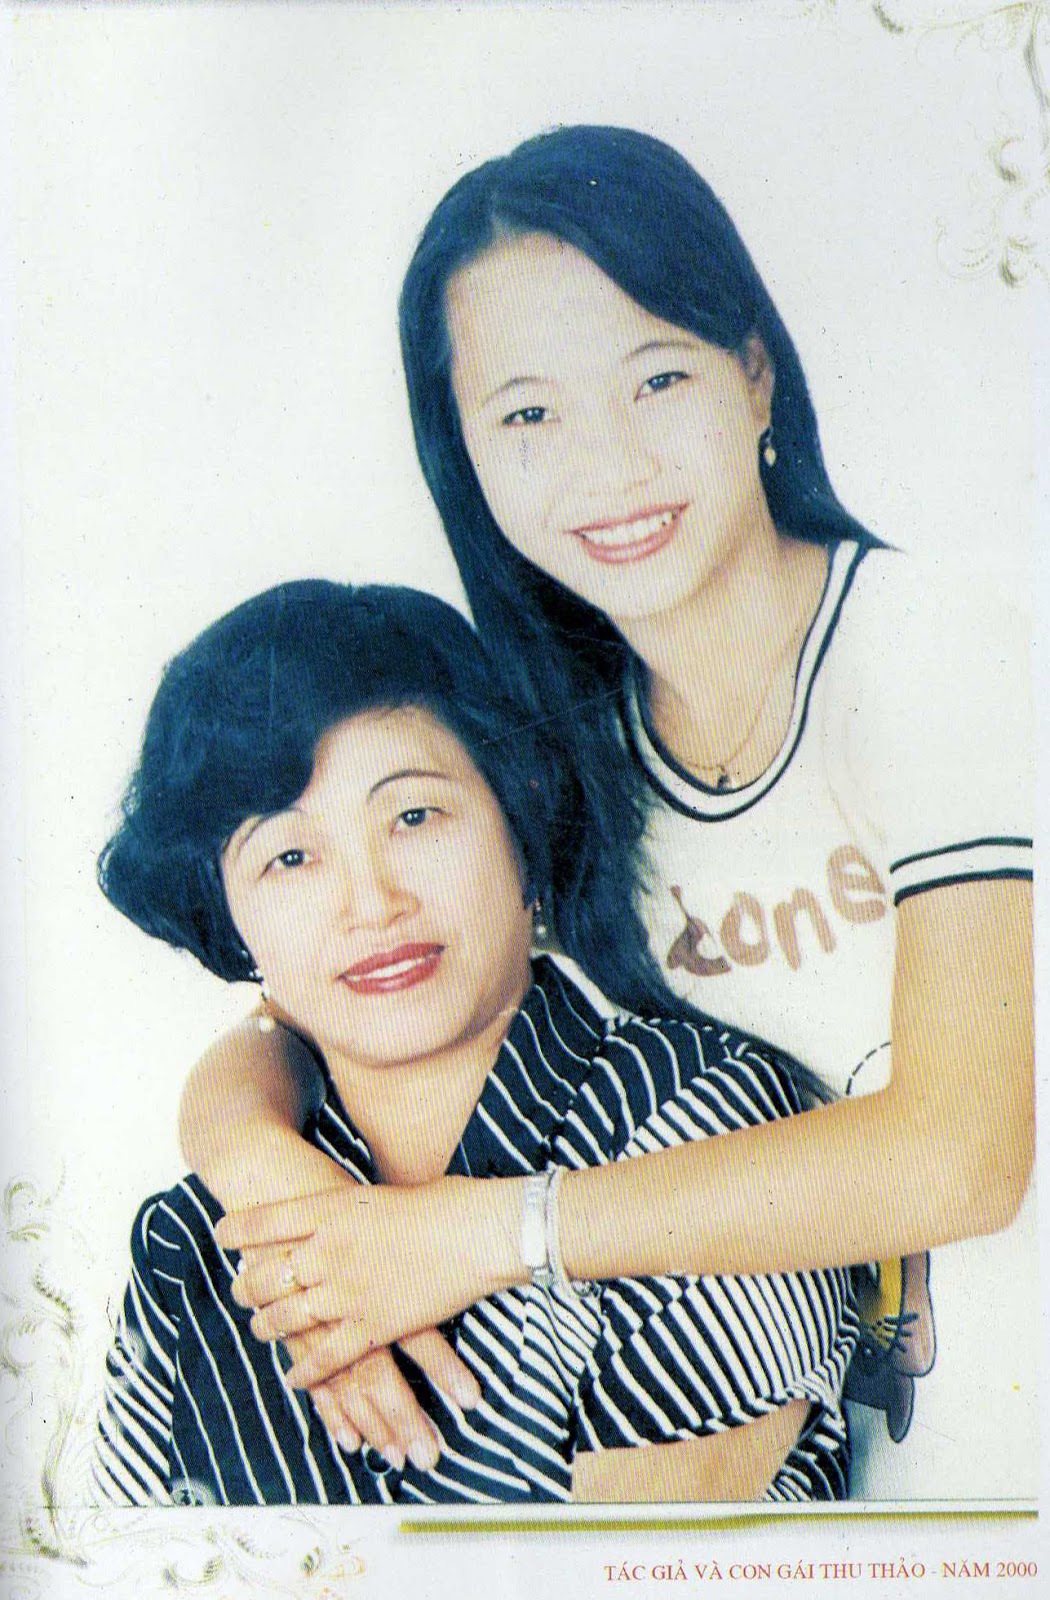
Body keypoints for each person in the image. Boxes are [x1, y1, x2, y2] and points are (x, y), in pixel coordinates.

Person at [181, 127, 1034, 1499]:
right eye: (528, 415)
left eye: (656, 378)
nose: (609, 463)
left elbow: (962, 1154)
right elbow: (292, 1013)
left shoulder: (922, 646)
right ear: (463, 456)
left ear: (754, 373)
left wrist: (475, 1236)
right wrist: (271, 1186)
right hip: (873, 1491)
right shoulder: (567, 752)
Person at [91, 579, 857, 1507]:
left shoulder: (700, 1121)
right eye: (289, 857)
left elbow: (627, 1565)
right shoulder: (191, 1239)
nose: (373, 904)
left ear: (519, 815)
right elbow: (118, 1562)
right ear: (228, 913)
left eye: (414, 817)